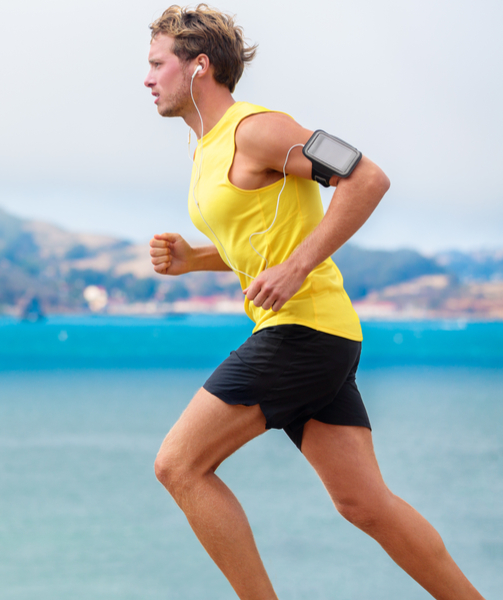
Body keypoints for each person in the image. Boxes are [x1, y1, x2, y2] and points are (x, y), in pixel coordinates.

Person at [143, 5, 485, 599]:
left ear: (199, 67)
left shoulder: (260, 129)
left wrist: (297, 267)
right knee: (364, 503)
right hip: (319, 335)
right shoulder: (206, 150)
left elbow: (367, 177)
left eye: (156, 64)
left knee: (179, 465)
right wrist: (194, 258)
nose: (147, 80)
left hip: (300, 333)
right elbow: (260, 245)